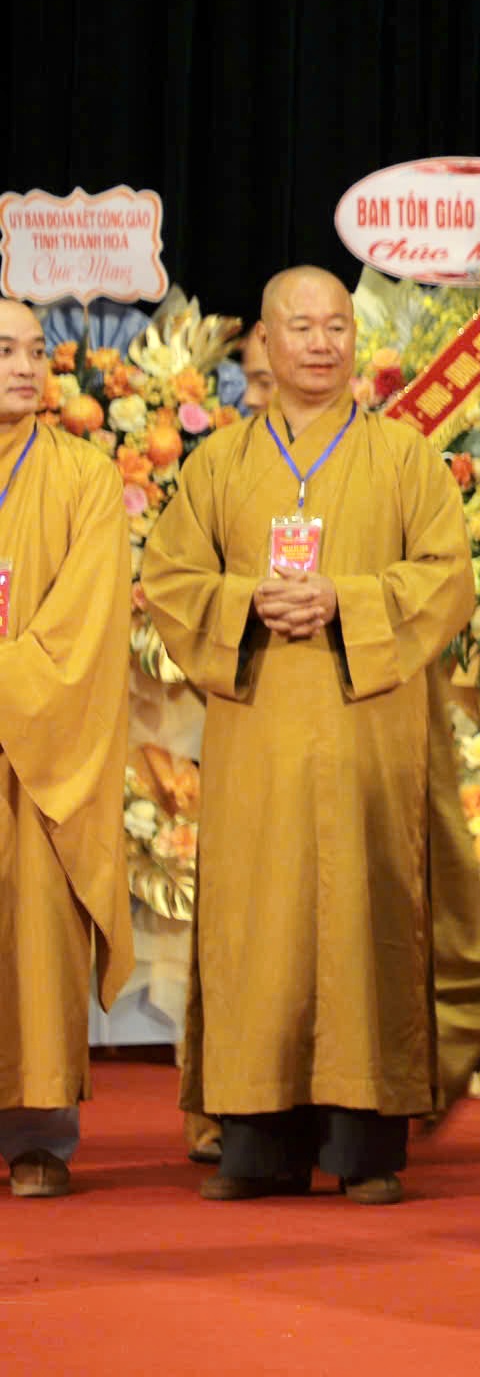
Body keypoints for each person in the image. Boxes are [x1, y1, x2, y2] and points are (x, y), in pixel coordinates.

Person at [143, 266, 474, 1204]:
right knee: (261, 921)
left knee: (367, 914)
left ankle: (366, 1146)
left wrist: (347, 600)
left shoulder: (404, 457)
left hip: (369, 733)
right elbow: (169, 579)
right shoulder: (218, 464)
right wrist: (246, 602)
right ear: (265, 341)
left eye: (338, 326)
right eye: (302, 327)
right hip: (259, 731)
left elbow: (447, 578)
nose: (323, 343)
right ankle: (259, 1145)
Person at [0, 298, 132, 1198]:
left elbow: (87, 621)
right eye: (4, 350)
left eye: (34, 350)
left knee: (36, 934)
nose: (24, 365)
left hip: (38, 752)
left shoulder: (84, 475)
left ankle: (38, 1134)